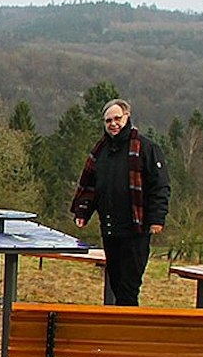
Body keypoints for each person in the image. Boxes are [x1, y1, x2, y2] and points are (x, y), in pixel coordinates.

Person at [70, 98, 170, 306]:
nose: (113, 124)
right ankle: (121, 327)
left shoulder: (146, 148)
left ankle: (127, 330)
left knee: (129, 287)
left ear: (127, 117)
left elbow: (159, 186)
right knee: (116, 283)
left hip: (136, 229)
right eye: (108, 121)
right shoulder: (100, 152)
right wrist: (82, 212)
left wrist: (157, 219)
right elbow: (91, 187)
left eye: (117, 118)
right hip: (110, 228)